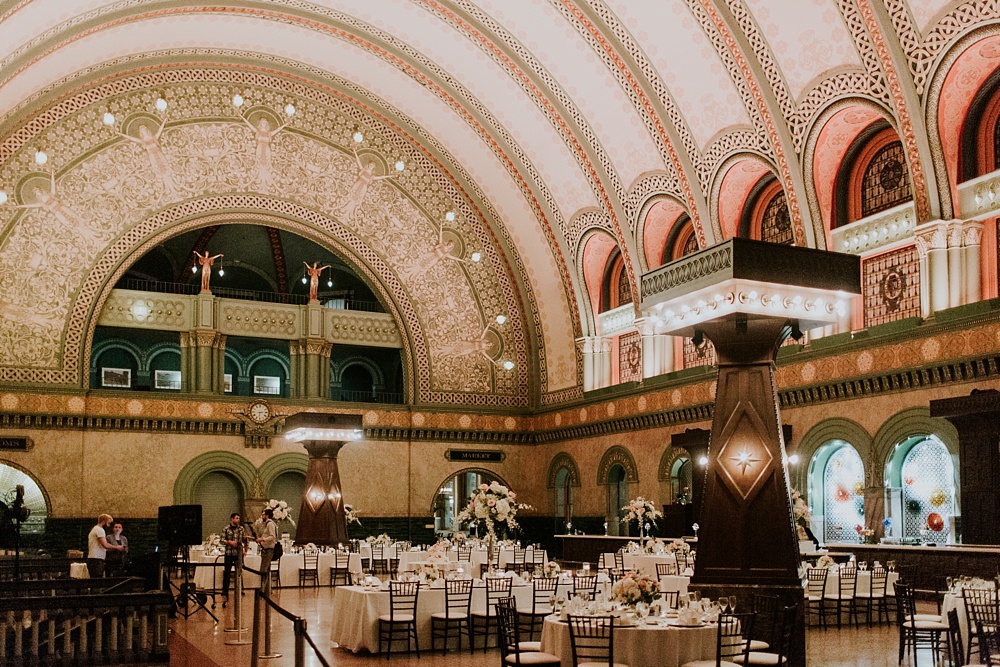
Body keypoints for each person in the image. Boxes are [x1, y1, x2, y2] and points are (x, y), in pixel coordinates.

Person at [221, 512, 248, 601]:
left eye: (239, 518)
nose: (238, 520)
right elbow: (221, 540)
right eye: (236, 518)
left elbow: (245, 540)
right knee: (227, 572)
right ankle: (225, 590)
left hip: (238, 554)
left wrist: (245, 551)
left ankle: (240, 588)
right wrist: (229, 542)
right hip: (229, 553)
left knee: (239, 572)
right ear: (232, 519)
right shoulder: (226, 528)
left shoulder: (241, 529)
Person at [255, 508, 278, 595]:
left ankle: (263, 589)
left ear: (267, 515)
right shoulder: (266, 524)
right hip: (265, 549)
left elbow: (272, 537)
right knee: (266, 569)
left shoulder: (270, 524)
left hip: (268, 550)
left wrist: (262, 539)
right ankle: (267, 588)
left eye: (263, 514)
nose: (262, 516)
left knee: (264, 569)